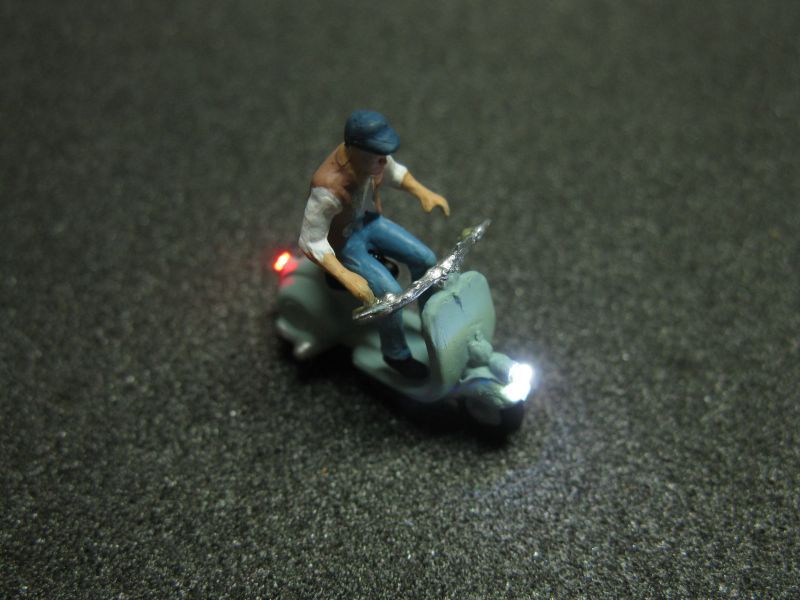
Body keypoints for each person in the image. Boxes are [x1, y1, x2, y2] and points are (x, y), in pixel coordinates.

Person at [298, 110, 450, 379]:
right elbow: (311, 241)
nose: (384, 160)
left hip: (369, 223)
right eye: (378, 154)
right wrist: (347, 276)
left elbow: (395, 172)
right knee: (389, 296)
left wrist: (423, 192)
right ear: (354, 151)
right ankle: (395, 354)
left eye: (384, 153)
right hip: (345, 241)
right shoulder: (328, 187)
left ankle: (431, 322)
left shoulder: (373, 159)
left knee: (426, 259)